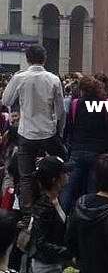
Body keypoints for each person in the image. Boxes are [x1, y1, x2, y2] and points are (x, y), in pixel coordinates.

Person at [2, 44, 66, 213]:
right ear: (44, 59)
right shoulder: (53, 79)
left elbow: (6, 100)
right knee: (60, 167)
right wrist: (59, 131)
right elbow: (60, 111)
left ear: (27, 59)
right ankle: (56, 203)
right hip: (48, 132)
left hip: (27, 133)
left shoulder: (19, 77)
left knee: (26, 176)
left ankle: (27, 212)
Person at [62, 76, 108, 214]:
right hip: (99, 152)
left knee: (68, 189)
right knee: (93, 190)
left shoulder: (75, 104)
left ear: (82, 90)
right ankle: (90, 218)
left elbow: (68, 128)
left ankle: (61, 219)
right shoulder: (107, 104)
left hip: (77, 150)